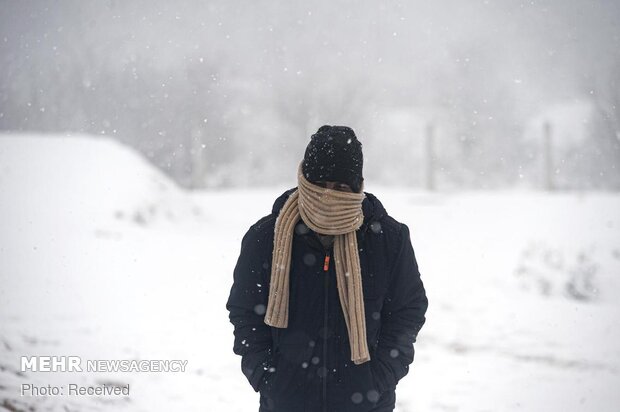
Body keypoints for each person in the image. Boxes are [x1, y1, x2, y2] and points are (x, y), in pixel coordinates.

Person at [226, 125, 429, 412]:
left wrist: (380, 377)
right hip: (286, 402)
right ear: (304, 181)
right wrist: (267, 375)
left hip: (365, 404)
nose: (328, 197)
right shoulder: (266, 238)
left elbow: (408, 310)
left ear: (358, 187)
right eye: (319, 184)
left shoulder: (388, 239)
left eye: (340, 188)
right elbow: (245, 311)